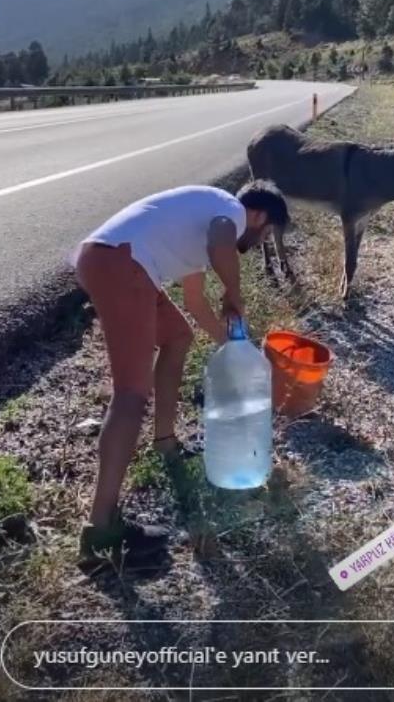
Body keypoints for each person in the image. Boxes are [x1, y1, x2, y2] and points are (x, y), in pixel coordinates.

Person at [71, 180, 289, 567]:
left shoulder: (202, 223)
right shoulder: (229, 215)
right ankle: (101, 528)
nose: (261, 241)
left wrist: (237, 349)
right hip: (122, 263)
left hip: (109, 259)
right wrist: (234, 291)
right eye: (267, 232)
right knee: (130, 395)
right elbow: (223, 238)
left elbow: (195, 303)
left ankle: (166, 441)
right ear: (257, 215)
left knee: (177, 336)